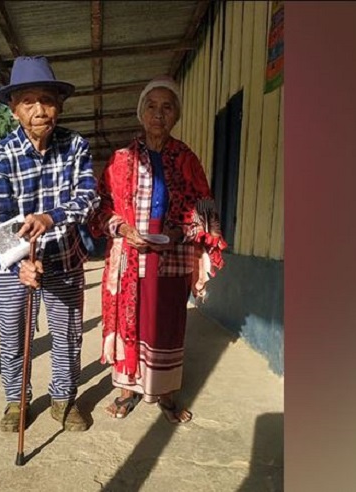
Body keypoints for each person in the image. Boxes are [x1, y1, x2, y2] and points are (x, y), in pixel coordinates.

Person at [89, 75, 227, 423]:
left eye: (167, 107)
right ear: (141, 113)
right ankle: (127, 390)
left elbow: (206, 207)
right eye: (151, 106)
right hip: (129, 252)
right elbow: (101, 208)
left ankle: (165, 393)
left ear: (176, 114)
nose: (158, 114)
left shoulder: (187, 159)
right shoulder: (121, 159)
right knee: (128, 318)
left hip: (173, 252)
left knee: (166, 323)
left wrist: (182, 230)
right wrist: (121, 228)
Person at [0, 56, 99, 433]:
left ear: (59, 106)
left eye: (47, 100)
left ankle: (64, 401)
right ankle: (16, 402)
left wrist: (51, 217)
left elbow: (89, 197)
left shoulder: (75, 145)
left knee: (67, 335)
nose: (39, 110)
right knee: (14, 338)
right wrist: (20, 265)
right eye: (28, 101)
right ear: (14, 109)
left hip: (64, 259)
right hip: (14, 266)